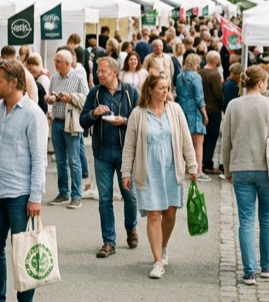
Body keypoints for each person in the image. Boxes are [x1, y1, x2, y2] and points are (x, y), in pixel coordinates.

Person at [0, 58, 47, 302]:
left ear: (14, 82)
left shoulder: (32, 113)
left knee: (23, 250)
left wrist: (36, 197)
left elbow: (39, 158)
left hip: (20, 193)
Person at [121, 74, 199, 279]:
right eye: (161, 88)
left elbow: (185, 139)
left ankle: (163, 245)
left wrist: (192, 166)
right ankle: (157, 261)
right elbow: (129, 146)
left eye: (167, 88)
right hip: (148, 171)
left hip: (171, 169)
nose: (166, 91)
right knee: (154, 214)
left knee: (170, 213)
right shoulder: (138, 114)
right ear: (150, 90)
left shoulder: (175, 110)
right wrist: (125, 172)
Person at [221, 65, 269, 285]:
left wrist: (227, 169)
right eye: (266, 82)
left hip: (241, 167)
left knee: (246, 220)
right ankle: (267, 267)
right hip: (267, 168)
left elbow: (226, 141)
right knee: (267, 218)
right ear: (260, 83)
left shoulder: (233, 105)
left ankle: (249, 271)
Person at [80, 57, 140, 258]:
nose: (99, 74)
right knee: (104, 198)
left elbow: (142, 119)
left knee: (129, 196)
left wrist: (125, 121)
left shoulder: (131, 92)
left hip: (126, 153)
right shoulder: (95, 93)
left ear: (114, 72)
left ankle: (131, 227)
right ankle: (109, 241)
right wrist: (94, 114)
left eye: (103, 71)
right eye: (98, 71)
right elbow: (83, 121)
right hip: (103, 153)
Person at [46, 49, 88, 208]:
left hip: (71, 122)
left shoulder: (78, 77)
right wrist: (50, 99)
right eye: (55, 61)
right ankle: (63, 193)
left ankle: (76, 196)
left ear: (67, 63)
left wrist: (69, 97)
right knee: (60, 162)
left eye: (58, 62)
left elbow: (86, 99)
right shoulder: (54, 78)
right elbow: (52, 96)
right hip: (57, 121)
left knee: (74, 161)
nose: (55, 64)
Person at [175, 53, 208, 178]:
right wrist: (205, 115)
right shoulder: (196, 77)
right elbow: (199, 97)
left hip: (183, 109)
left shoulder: (179, 76)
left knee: (184, 141)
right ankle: (198, 170)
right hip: (194, 110)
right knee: (198, 142)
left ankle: (186, 168)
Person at [198, 51, 224, 175]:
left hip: (201, 108)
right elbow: (218, 94)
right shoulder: (215, 75)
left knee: (203, 136)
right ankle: (207, 163)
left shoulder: (199, 73)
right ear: (215, 61)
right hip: (213, 109)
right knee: (212, 137)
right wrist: (222, 105)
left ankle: (201, 160)